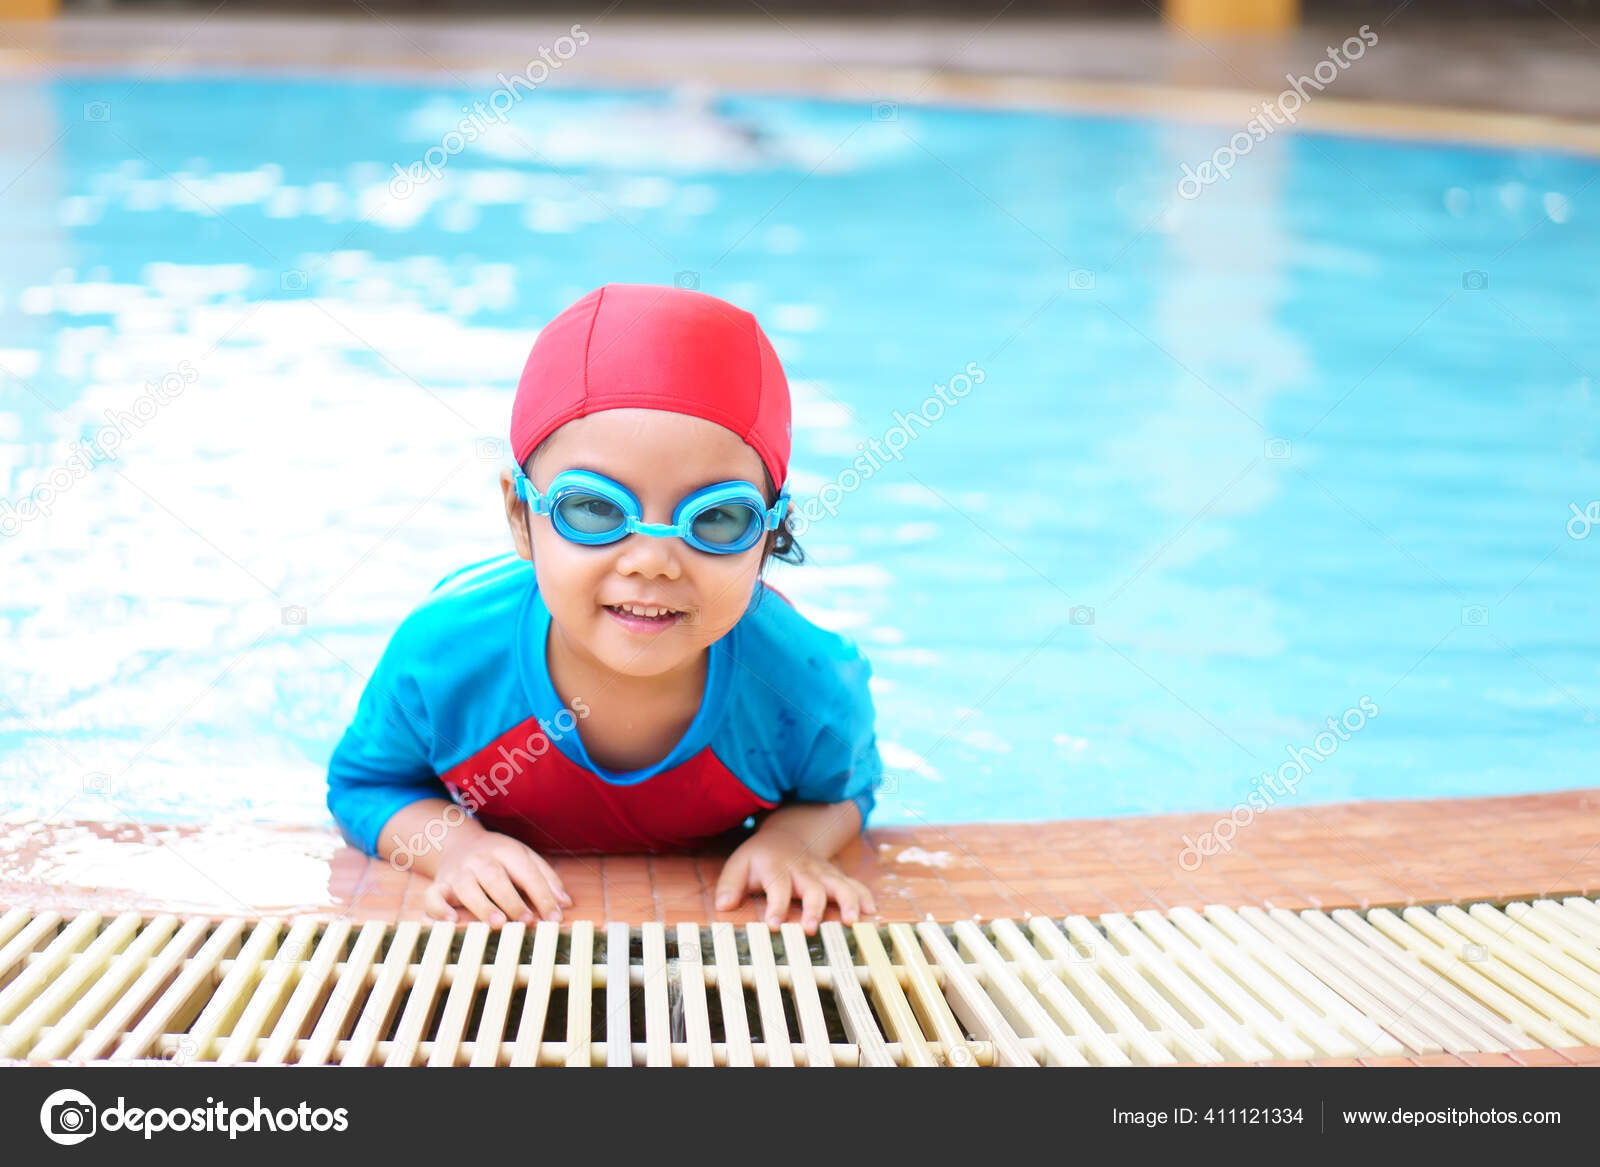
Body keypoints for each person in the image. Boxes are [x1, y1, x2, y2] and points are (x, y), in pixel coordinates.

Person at [326, 283, 883, 935]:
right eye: (594, 509)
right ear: (519, 513)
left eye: (718, 518)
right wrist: (456, 848)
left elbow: (845, 794)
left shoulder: (806, 684)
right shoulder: (442, 659)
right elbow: (366, 785)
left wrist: (794, 841)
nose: (651, 560)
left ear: (769, 533)